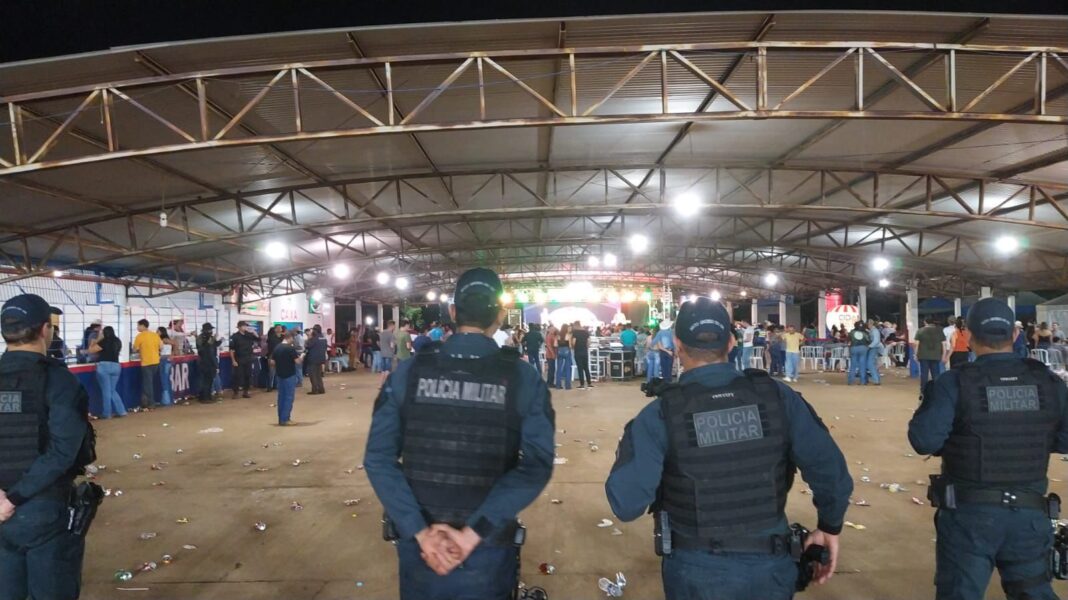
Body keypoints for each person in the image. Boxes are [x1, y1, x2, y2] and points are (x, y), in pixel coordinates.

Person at [605, 297, 852, 600]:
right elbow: (829, 468)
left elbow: (626, 503)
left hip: (695, 573)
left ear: (678, 345)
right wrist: (830, 525)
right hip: (770, 567)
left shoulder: (660, 414)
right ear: (732, 342)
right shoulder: (777, 397)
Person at [364, 268, 555, 600]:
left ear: (453, 312)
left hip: (422, 552)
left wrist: (421, 533)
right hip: (486, 549)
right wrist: (472, 533)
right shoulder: (523, 377)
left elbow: (378, 459)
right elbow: (537, 465)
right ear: (500, 315)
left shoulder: (409, 372)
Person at [908, 298, 1068, 600]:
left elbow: (923, 440)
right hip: (1030, 515)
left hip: (968, 516)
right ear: (1015, 334)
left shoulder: (954, 383)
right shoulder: (1048, 382)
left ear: (968, 335)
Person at [0, 294, 97, 600]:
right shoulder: (58, 380)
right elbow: (63, 451)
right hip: (42, 507)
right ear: (45, 330)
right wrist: (14, 498)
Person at [89, 326, 126, 418]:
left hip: (104, 366)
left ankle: (107, 413)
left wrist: (96, 340)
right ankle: (121, 411)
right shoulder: (118, 341)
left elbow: (91, 350)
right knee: (112, 390)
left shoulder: (103, 341)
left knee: (106, 391)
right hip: (116, 366)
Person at [271, 332, 303, 425]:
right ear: (290, 338)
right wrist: (302, 356)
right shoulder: (290, 348)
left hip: (279, 375)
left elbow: (272, 362)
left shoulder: (277, 347)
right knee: (289, 397)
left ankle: (281, 419)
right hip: (289, 375)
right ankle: (285, 419)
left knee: (281, 397)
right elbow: (297, 362)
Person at [133, 319, 162, 409]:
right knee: (148, 383)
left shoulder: (139, 336)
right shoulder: (155, 335)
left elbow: (134, 349)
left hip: (146, 362)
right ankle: (144, 402)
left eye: (138, 326)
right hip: (156, 361)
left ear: (142, 326)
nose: (137, 327)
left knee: (147, 384)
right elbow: (161, 347)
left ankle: (151, 403)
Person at [914, 317, 947, 392]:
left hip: (923, 356)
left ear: (925, 322)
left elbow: (916, 344)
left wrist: (915, 354)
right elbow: (944, 344)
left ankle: (923, 390)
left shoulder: (920, 331)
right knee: (936, 374)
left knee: (924, 374)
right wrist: (944, 355)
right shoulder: (940, 331)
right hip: (936, 356)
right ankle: (936, 389)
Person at [229, 321, 258, 399]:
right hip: (239, 359)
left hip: (248, 358)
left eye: (246, 326)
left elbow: (258, 339)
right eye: (244, 326)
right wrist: (233, 360)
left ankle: (246, 392)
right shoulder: (234, 336)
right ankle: (235, 392)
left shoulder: (249, 335)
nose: (245, 327)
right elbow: (231, 350)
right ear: (239, 327)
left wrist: (254, 332)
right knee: (237, 376)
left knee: (248, 375)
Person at [196, 324, 222, 404]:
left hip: (209, 362)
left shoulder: (209, 337)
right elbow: (203, 349)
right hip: (205, 362)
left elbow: (214, 345)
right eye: (210, 330)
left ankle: (208, 396)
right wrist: (210, 341)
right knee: (206, 381)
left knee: (209, 381)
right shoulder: (201, 338)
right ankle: (204, 397)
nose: (211, 331)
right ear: (206, 330)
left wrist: (220, 340)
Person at [847, 321, 871, 386]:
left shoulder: (852, 332)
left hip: (854, 348)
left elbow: (848, 340)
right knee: (862, 365)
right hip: (863, 348)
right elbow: (869, 341)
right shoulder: (866, 332)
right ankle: (863, 381)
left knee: (853, 365)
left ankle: (851, 381)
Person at [304, 328, 328, 395]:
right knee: (318, 375)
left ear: (315, 331)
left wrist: (309, 338)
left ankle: (315, 390)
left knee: (313, 375)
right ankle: (321, 389)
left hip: (313, 359)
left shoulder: (313, 339)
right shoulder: (323, 338)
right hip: (321, 358)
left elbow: (307, 346)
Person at [156, 327, 175, 406]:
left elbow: (174, 343)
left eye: (157, 331)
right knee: (167, 380)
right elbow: (174, 344)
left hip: (164, 361)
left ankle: (166, 400)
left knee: (164, 380)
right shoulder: (166, 339)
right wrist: (172, 354)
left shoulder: (163, 339)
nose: (156, 332)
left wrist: (171, 354)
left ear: (161, 332)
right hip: (167, 361)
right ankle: (170, 399)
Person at [572, 321, 593, 389]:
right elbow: (589, 341)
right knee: (586, 368)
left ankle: (582, 384)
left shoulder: (575, 332)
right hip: (584, 351)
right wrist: (586, 347)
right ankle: (589, 383)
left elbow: (574, 342)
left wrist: (573, 347)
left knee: (580, 368)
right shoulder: (586, 332)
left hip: (578, 351)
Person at [555, 324, 574, 391]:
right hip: (567, 351)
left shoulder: (558, 336)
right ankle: (567, 386)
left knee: (559, 368)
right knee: (567, 368)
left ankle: (558, 385)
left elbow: (555, 344)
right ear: (566, 329)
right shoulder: (568, 335)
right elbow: (570, 346)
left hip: (559, 351)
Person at [266, 325, 283, 390]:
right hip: (272, 356)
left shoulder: (283, 337)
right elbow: (270, 349)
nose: (279, 329)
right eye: (278, 328)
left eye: (280, 328)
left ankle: (276, 385)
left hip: (281, 356)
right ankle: (269, 386)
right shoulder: (271, 338)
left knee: (278, 372)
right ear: (275, 329)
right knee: (271, 372)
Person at [866, 319, 883, 386]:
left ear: (870, 324)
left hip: (874, 348)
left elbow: (876, 341)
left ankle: (876, 380)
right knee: (873, 364)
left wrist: (869, 346)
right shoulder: (873, 330)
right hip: (874, 348)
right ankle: (877, 379)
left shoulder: (874, 331)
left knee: (870, 364)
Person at [544, 323, 558, 388]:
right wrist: (553, 354)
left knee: (552, 369)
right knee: (551, 369)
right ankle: (550, 383)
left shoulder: (551, 335)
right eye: (553, 328)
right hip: (550, 355)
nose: (554, 329)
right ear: (550, 329)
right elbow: (549, 346)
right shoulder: (549, 336)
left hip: (550, 354)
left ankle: (550, 382)